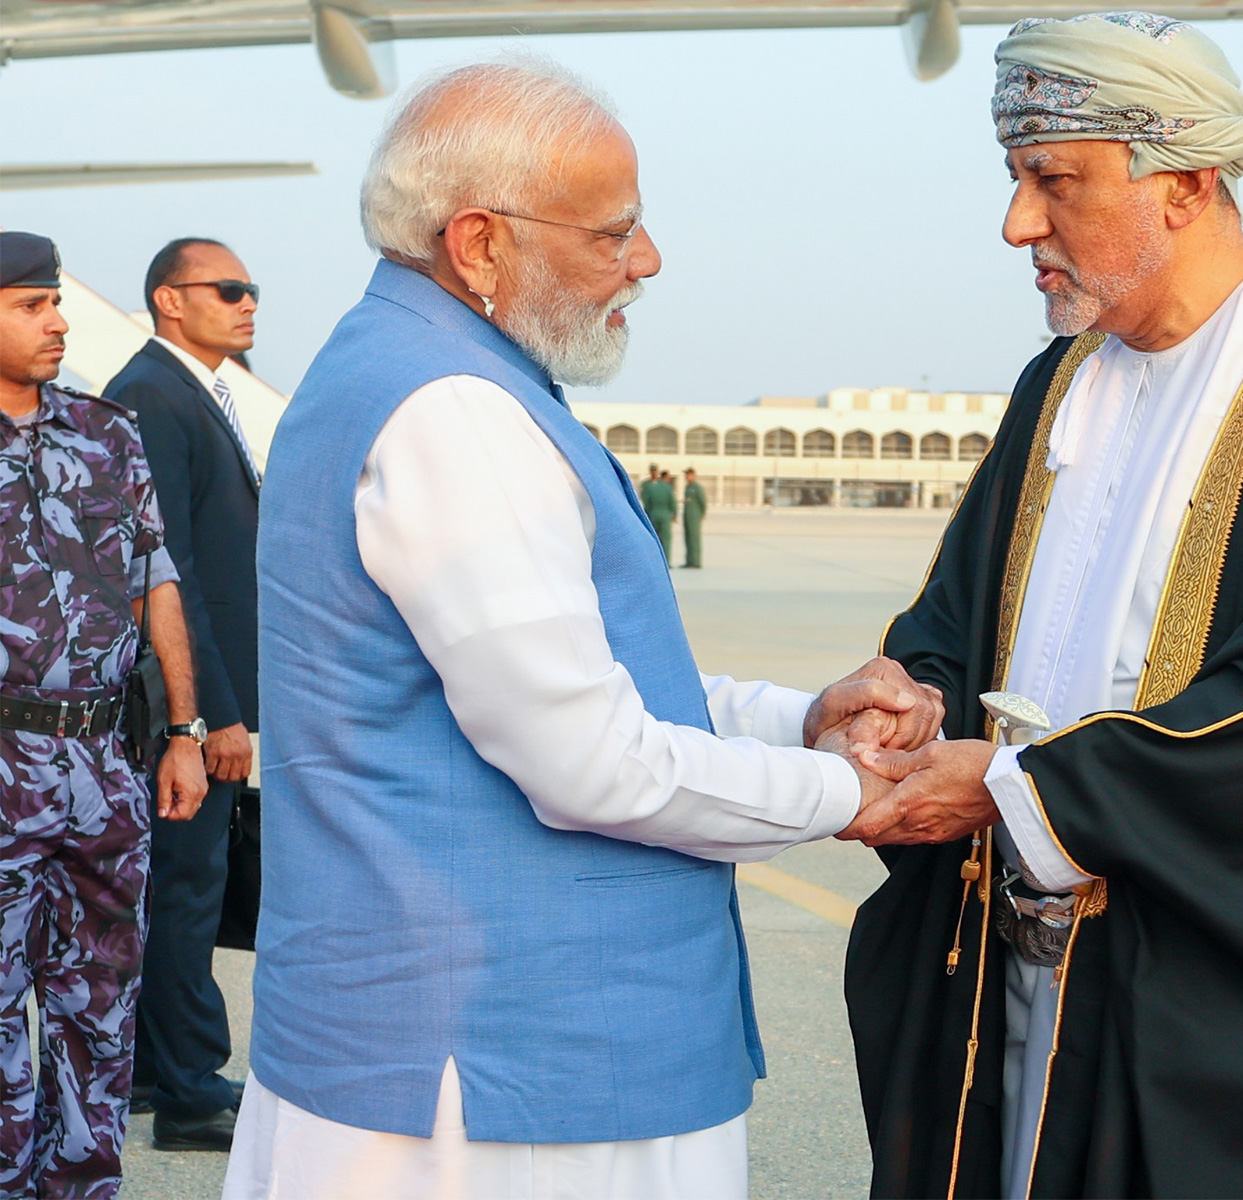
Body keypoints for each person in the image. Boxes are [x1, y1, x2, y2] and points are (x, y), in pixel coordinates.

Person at [222, 59, 941, 1200]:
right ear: (480, 245)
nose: (644, 261)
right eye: (613, 233)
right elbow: (589, 761)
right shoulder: (456, 413)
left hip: (478, 1052)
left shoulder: (432, 373)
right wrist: (855, 796)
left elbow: (584, 682)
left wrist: (800, 721)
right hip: (506, 1080)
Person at [839, 15, 1243, 1198]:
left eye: (1054, 182)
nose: (1017, 225)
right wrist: (906, 706)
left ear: (1185, 185)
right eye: (1013, 181)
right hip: (1017, 976)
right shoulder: (1058, 379)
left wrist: (1025, 791)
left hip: (1195, 1005)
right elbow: (957, 610)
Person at [0, 231, 209, 1197]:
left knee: (100, 1005)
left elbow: (155, 584)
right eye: (31, 305)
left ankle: (79, 1187)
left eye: (54, 301)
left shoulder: (106, 431)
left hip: (101, 766)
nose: (58, 321)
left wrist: (182, 731)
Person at [102, 237, 262, 1151]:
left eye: (251, 290)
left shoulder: (194, 391)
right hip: (192, 709)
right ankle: (193, 1091)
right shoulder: (152, 396)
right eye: (228, 289)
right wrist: (206, 718)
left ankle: (157, 1071)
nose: (248, 305)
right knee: (185, 888)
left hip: (210, 699)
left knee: (178, 888)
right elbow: (170, 577)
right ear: (170, 299)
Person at [642, 461, 676, 560]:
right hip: (656, 514)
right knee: (658, 539)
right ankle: (661, 560)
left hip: (657, 514)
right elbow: (672, 501)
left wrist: (674, 513)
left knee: (663, 539)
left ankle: (665, 560)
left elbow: (671, 501)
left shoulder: (660, 486)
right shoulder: (648, 485)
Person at [682, 467, 707, 568]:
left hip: (694, 517)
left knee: (694, 540)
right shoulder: (688, 487)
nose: (686, 477)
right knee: (688, 539)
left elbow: (703, 502)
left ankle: (696, 562)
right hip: (687, 516)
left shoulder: (697, 487)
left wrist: (702, 514)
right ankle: (689, 561)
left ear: (693, 475)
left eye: (688, 475)